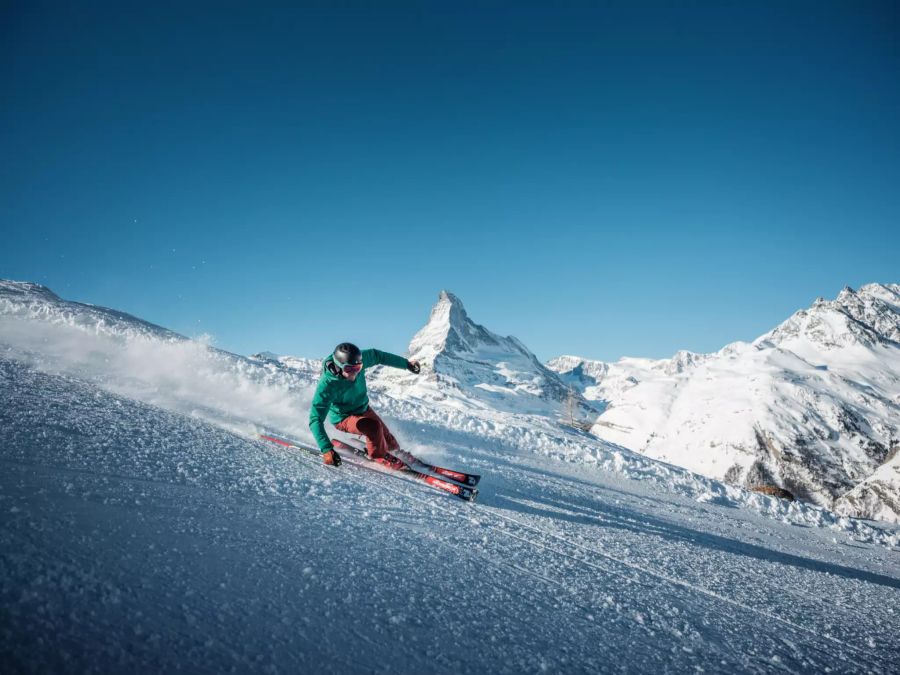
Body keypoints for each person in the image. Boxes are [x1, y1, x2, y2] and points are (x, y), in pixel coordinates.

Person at [309, 342, 421, 466]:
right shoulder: (327, 385)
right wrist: (326, 449)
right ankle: (378, 456)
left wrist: (406, 364)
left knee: (389, 440)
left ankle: (394, 452)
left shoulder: (357, 359)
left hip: (363, 408)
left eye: (357, 369)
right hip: (343, 418)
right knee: (373, 427)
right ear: (338, 366)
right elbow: (315, 420)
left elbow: (378, 355)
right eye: (349, 369)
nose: (354, 373)